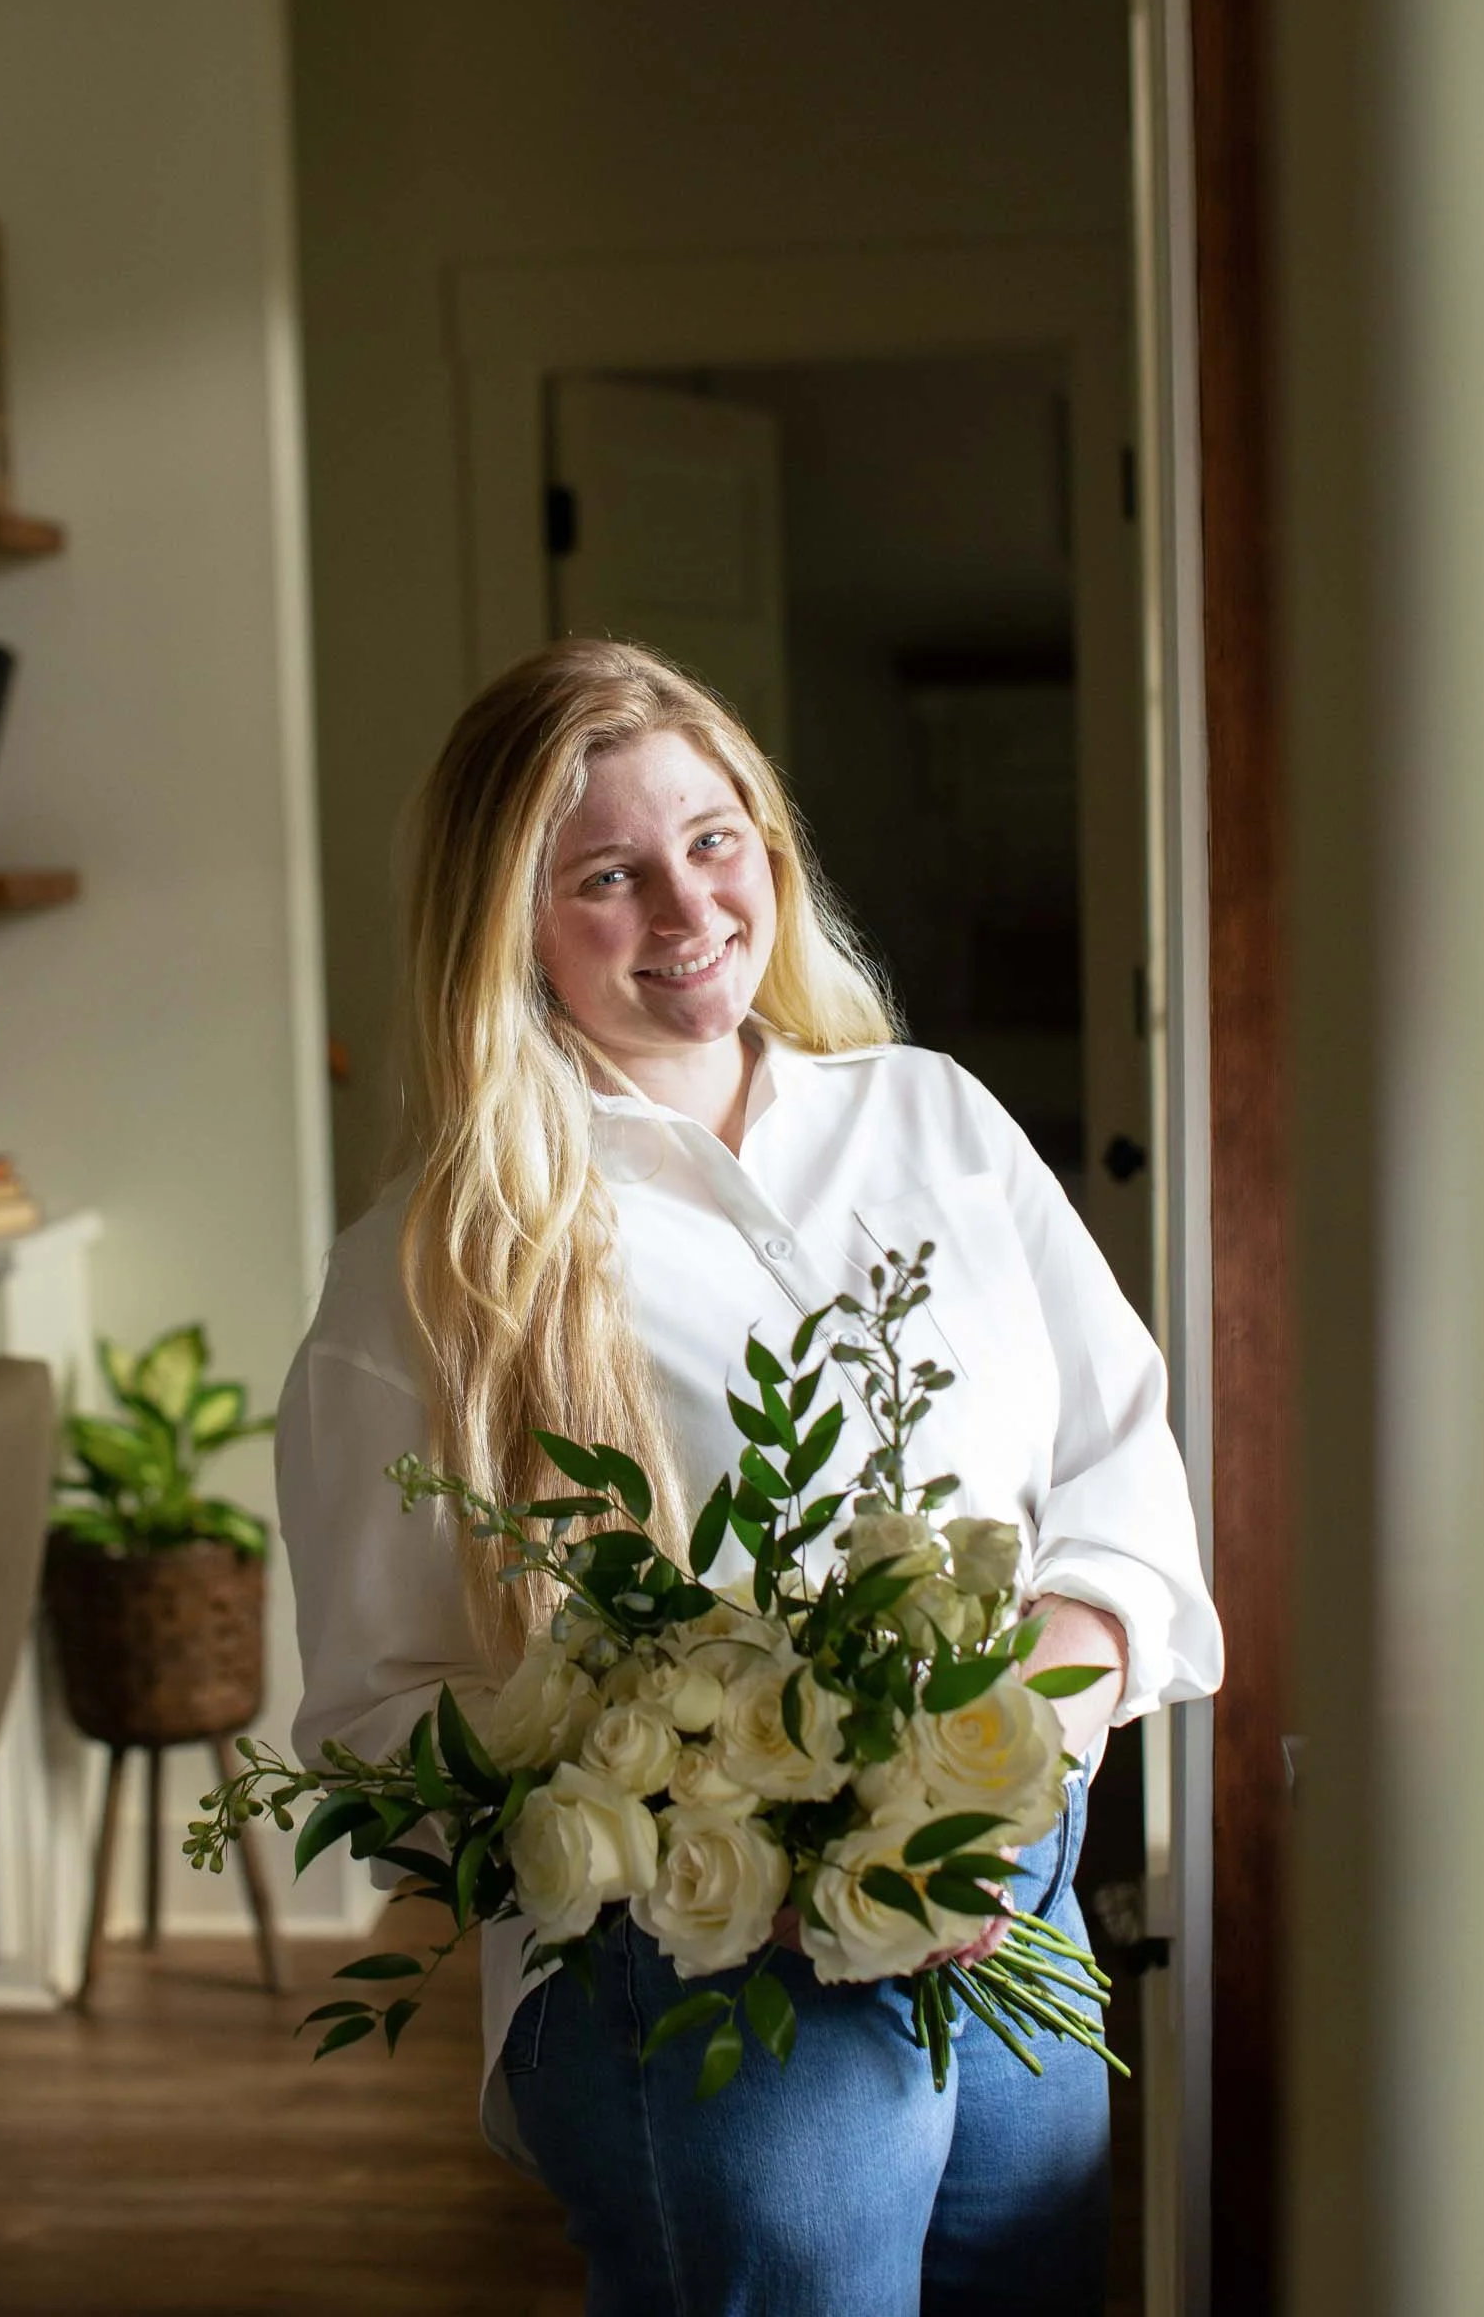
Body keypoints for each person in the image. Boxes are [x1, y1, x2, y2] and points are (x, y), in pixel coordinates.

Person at [276, 637, 1224, 2317]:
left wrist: (1006, 1745)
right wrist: (717, 1848)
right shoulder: (435, 1272)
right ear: (507, 924)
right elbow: (375, 1720)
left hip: (1019, 1895)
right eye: (606, 877)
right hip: (702, 1970)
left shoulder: (936, 1123)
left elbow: (1118, 1466)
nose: (687, 907)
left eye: (713, 840)